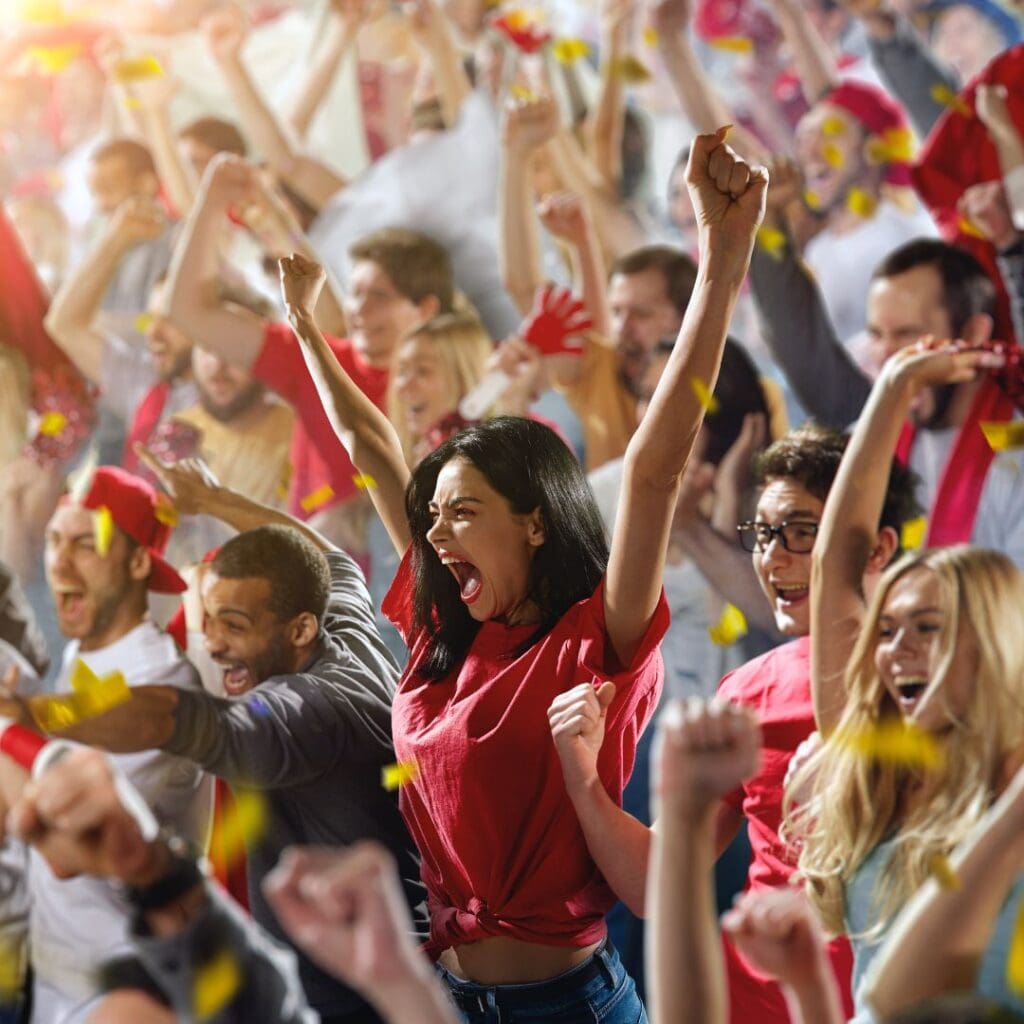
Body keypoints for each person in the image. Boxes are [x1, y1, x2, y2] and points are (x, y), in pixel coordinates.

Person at [276, 125, 767, 1020]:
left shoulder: (597, 636)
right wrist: (307, 326)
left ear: (534, 524)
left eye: (464, 512)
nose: (435, 531)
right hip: (448, 999)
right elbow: (374, 451)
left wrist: (723, 253)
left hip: (571, 1006)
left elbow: (656, 466)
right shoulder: (440, 638)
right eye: (433, 517)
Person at [0, 455, 427, 1024]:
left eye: (236, 626)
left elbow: (185, 719)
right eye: (212, 618)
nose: (214, 642)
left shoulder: (306, 709)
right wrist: (213, 498)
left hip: (349, 1000)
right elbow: (329, 559)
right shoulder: (340, 627)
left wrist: (34, 714)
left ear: (299, 629)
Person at [549, 422, 919, 1024]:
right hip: (745, 1004)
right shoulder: (749, 687)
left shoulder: (932, 686)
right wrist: (584, 781)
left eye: (801, 533)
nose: (773, 557)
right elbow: (651, 883)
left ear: (876, 547)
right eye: (764, 533)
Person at [788, 335, 1024, 1020]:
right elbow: (837, 563)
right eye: (886, 631)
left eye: (928, 629)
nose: (895, 652)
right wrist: (893, 387)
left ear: (993, 642)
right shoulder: (875, 768)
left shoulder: (1013, 782)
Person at [0, 465, 211, 1023]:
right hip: (57, 987)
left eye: (84, 544)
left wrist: (7, 729)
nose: (59, 562)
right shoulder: (84, 656)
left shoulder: (161, 680)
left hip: (134, 996)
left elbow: (66, 840)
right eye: (53, 540)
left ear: (140, 562)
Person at [166, 154, 456, 553]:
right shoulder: (318, 361)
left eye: (381, 297)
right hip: (317, 578)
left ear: (425, 309)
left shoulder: (456, 380)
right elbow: (190, 312)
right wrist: (211, 203)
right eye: (356, 294)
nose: (360, 310)